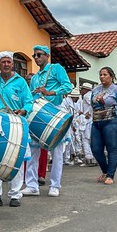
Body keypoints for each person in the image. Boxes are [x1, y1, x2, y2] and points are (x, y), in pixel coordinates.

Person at [22, 45, 73, 197]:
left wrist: (50, 92)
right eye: (34, 55)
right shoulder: (35, 77)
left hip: (55, 110)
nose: (36, 58)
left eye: (39, 55)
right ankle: (32, 186)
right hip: (38, 115)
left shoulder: (56, 68)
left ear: (47, 56)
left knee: (56, 152)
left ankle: (55, 185)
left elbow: (67, 86)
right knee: (32, 150)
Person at [0, 51, 33, 208]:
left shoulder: (21, 82)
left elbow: (29, 102)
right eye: (3, 62)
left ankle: (15, 194)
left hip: (16, 122)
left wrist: (24, 110)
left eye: (9, 62)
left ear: (13, 64)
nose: (6, 64)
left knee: (15, 159)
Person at [89, 67, 117, 185]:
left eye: (105, 74)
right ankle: (105, 171)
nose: (102, 77)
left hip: (112, 122)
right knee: (95, 149)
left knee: (112, 148)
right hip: (97, 122)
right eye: (100, 75)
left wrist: (112, 114)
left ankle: (110, 175)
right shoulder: (95, 90)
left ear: (111, 76)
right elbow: (93, 105)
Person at [78, 82, 96, 166]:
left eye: (82, 89)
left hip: (87, 121)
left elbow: (93, 104)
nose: (81, 90)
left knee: (85, 139)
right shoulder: (90, 95)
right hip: (89, 119)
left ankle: (89, 159)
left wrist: (89, 113)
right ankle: (92, 159)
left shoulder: (86, 95)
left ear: (85, 90)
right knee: (90, 139)